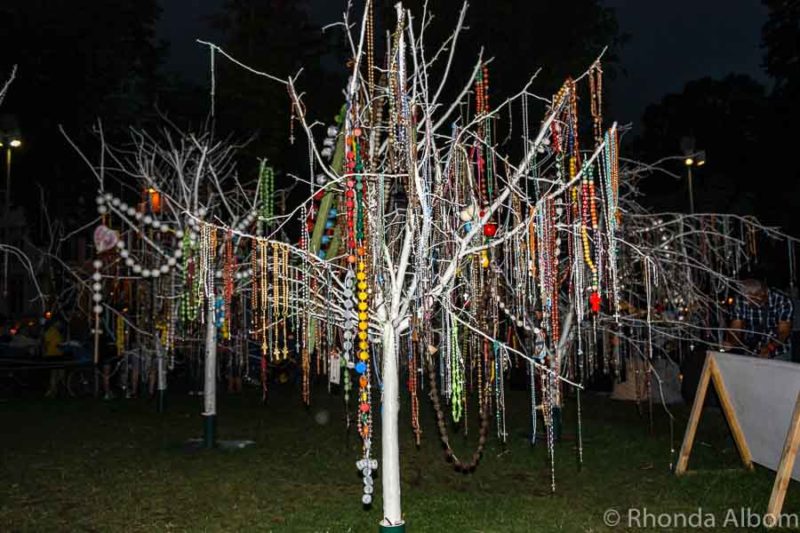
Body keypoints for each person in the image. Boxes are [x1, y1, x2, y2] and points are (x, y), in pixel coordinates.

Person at [724, 275, 793, 360]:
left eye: (751, 298)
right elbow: (736, 328)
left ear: (762, 294)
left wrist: (769, 348)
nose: (747, 302)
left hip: (777, 352)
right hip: (751, 351)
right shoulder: (740, 299)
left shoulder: (783, 301)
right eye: (745, 298)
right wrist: (731, 342)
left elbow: (783, 332)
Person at [43, 319, 66, 397]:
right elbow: (46, 343)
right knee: (54, 374)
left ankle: (55, 390)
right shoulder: (50, 331)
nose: (60, 324)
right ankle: (52, 390)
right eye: (59, 322)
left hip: (57, 354)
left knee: (59, 373)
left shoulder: (57, 331)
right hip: (52, 354)